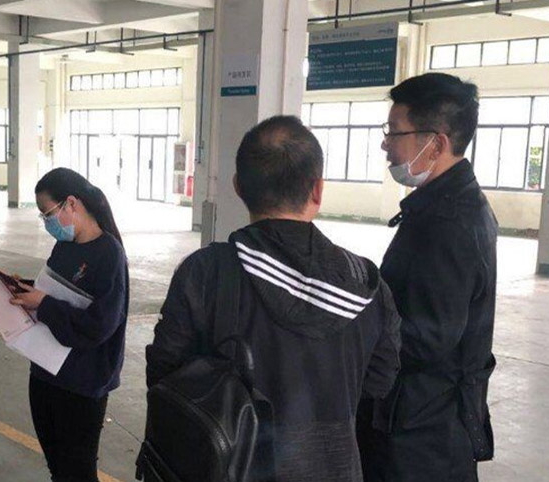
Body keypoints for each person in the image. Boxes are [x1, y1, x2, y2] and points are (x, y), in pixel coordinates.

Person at [146, 115, 402, 482]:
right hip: (335, 469)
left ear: (238, 186)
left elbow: (164, 373)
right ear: (317, 190)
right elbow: (380, 380)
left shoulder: (205, 272)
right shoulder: (366, 282)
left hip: (230, 468)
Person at [357, 72, 498, 482]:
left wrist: (352, 331)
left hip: (423, 434)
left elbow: (427, 337)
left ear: (435, 144)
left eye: (395, 131)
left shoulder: (450, 221)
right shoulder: (439, 206)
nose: (385, 142)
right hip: (414, 417)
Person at [8, 168, 129, 482]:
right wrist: (28, 291)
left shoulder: (109, 255)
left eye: (47, 214)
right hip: (46, 373)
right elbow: (54, 293)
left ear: (71, 203)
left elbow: (99, 326)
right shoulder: (64, 247)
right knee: (59, 470)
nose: (47, 223)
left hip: (82, 383)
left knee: (77, 473)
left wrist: (44, 303)